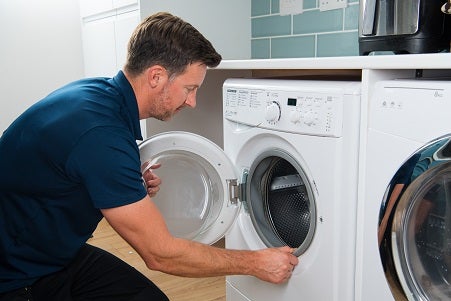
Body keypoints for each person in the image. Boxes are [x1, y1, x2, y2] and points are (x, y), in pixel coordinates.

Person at [0, 12, 298, 300]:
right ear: (156, 76)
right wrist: (255, 263)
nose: (192, 102)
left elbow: (70, 172)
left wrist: (126, 181)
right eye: (189, 88)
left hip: (50, 250)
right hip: (18, 274)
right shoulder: (102, 135)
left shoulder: (98, 96)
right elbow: (160, 254)